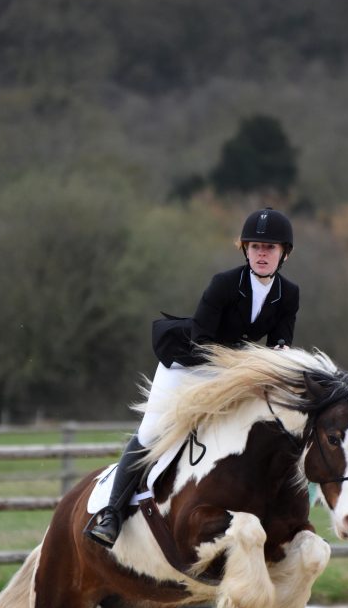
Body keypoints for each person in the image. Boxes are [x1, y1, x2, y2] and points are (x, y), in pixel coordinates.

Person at [84, 207, 299, 548]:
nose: (261, 253)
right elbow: (202, 342)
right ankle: (111, 514)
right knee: (152, 432)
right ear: (244, 249)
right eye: (255, 246)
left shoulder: (288, 293)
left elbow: (279, 345)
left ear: (284, 253)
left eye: (270, 247)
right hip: (188, 363)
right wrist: (247, 368)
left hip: (232, 369)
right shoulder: (225, 284)